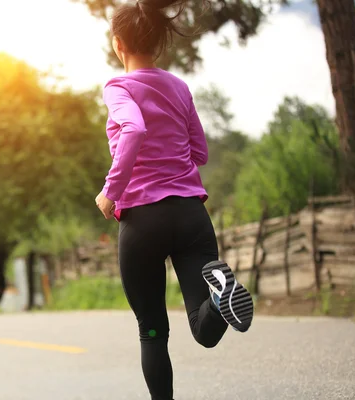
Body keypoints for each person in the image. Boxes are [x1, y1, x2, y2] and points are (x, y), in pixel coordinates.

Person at [93, 1, 254, 399]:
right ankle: (219, 303)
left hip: (143, 222)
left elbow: (133, 129)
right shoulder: (179, 88)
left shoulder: (118, 87)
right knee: (204, 330)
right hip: (190, 217)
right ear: (158, 43)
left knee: (152, 333)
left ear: (119, 45)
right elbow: (200, 152)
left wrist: (110, 192)